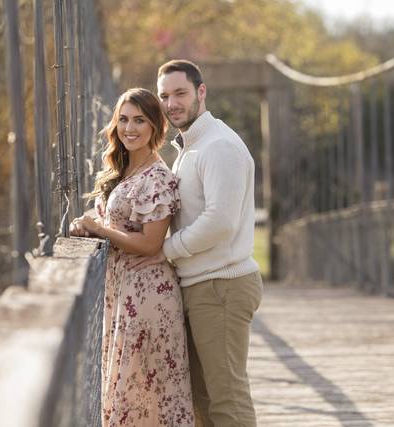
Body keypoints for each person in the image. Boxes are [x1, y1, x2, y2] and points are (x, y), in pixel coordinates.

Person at [132, 60, 263, 427]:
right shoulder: (190, 147)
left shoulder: (219, 146)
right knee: (202, 400)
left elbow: (221, 222)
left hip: (221, 285)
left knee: (227, 398)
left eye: (180, 93)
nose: (171, 103)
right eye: (164, 96)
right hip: (200, 285)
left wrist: (166, 251)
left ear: (201, 92)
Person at [70, 88, 194, 427]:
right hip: (123, 293)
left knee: (143, 396)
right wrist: (87, 224)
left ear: (156, 126)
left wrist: (100, 229)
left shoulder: (157, 177)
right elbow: (115, 221)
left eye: (140, 120)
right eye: (123, 119)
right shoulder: (125, 169)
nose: (130, 128)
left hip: (148, 296)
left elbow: (150, 244)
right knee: (132, 396)